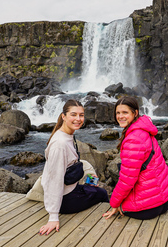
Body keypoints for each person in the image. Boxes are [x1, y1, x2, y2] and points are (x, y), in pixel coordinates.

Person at [39, 99, 109, 235]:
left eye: (81, 115)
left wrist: (86, 177)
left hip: (70, 189)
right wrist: (53, 217)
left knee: (94, 187)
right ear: (63, 116)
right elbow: (55, 179)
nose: (78, 119)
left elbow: (69, 167)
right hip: (65, 200)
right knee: (102, 193)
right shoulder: (60, 144)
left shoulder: (66, 135)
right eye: (73, 115)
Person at [103, 96, 168, 220]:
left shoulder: (134, 139)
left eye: (125, 112)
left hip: (148, 207)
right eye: (118, 113)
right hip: (164, 200)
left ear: (135, 113)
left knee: (120, 204)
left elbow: (127, 180)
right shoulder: (144, 128)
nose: (120, 116)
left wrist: (115, 204)